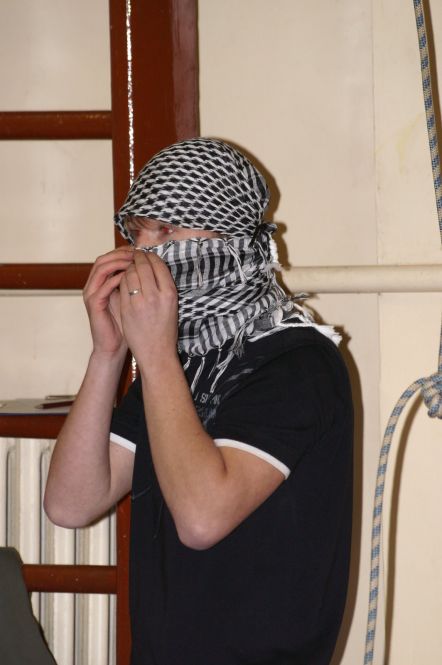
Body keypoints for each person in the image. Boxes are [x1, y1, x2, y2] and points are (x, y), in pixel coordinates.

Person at [44, 137, 353, 665]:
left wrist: (155, 355)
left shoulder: (297, 362)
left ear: (231, 238)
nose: (144, 253)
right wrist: (108, 353)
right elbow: (70, 504)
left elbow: (203, 518)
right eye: (137, 232)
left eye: (167, 231)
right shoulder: (182, 361)